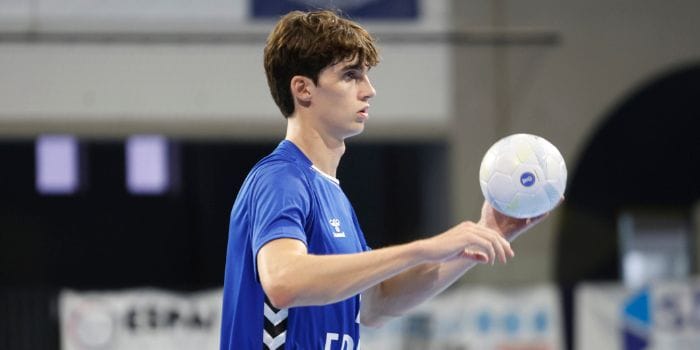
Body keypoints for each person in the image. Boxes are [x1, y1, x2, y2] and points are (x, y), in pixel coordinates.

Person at [220, 9, 546, 350]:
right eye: (351, 75)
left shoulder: (333, 196)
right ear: (303, 89)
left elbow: (378, 302)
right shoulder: (281, 178)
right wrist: (423, 248)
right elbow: (284, 281)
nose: (369, 90)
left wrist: (475, 243)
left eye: (366, 76)